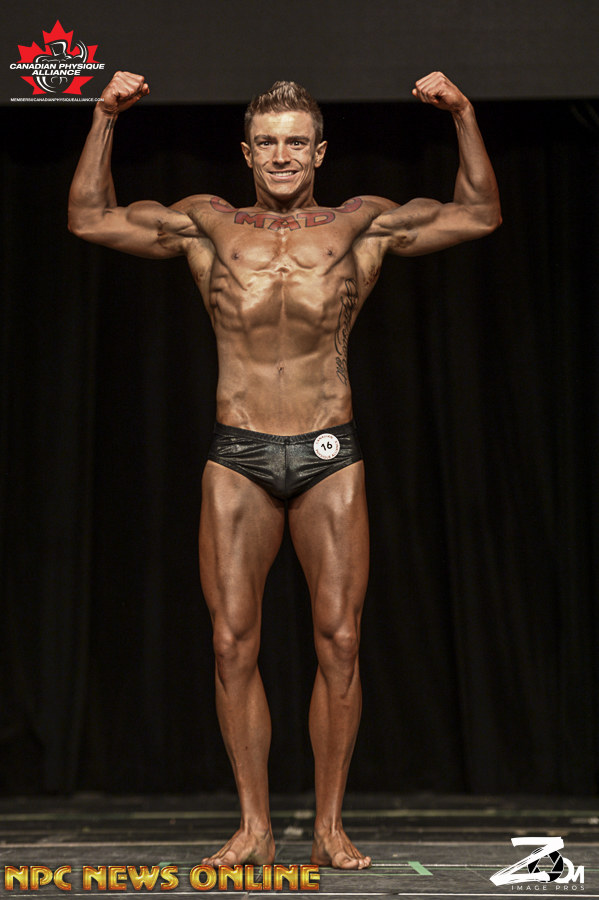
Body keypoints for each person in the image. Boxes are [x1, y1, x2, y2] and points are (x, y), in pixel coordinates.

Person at [68, 70, 501, 869]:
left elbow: (477, 212)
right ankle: (254, 826)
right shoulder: (207, 223)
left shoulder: (359, 224)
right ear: (245, 152)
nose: (280, 156)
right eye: (266, 143)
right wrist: (102, 116)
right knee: (231, 644)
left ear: (319, 152)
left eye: (295, 142)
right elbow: (90, 217)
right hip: (238, 453)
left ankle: (328, 827)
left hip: (327, 451)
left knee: (340, 641)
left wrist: (463, 115)